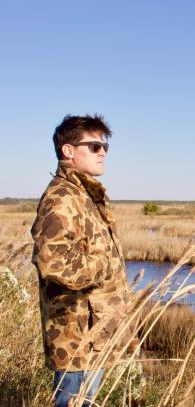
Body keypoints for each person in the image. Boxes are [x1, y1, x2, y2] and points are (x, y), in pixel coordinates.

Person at [31, 114, 135, 407]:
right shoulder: (62, 197)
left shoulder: (82, 194)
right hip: (75, 338)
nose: (102, 152)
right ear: (68, 151)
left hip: (91, 332)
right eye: (94, 146)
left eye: (105, 147)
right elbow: (52, 262)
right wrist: (104, 265)